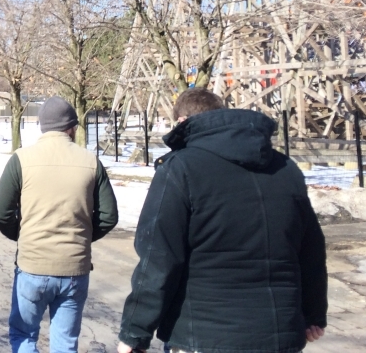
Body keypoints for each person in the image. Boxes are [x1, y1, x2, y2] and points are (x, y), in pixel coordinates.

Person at [116, 88, 327, 353]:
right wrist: (313, 314)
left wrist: (135, 332)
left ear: (182, 122)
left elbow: (159, 258)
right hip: (279, 333)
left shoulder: (181, 169)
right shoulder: (286, 169)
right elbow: (311, 251)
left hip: (205, 334)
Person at [0, 97, 119, 353]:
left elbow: (0, 212)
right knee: (65, 342)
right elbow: (108, 215)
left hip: (32, 263)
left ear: (42, 126)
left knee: (24, 335)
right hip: (75, 266)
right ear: (71, 126)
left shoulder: (21, 159)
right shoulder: (91, 161)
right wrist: (81, 237)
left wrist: (22, 234)